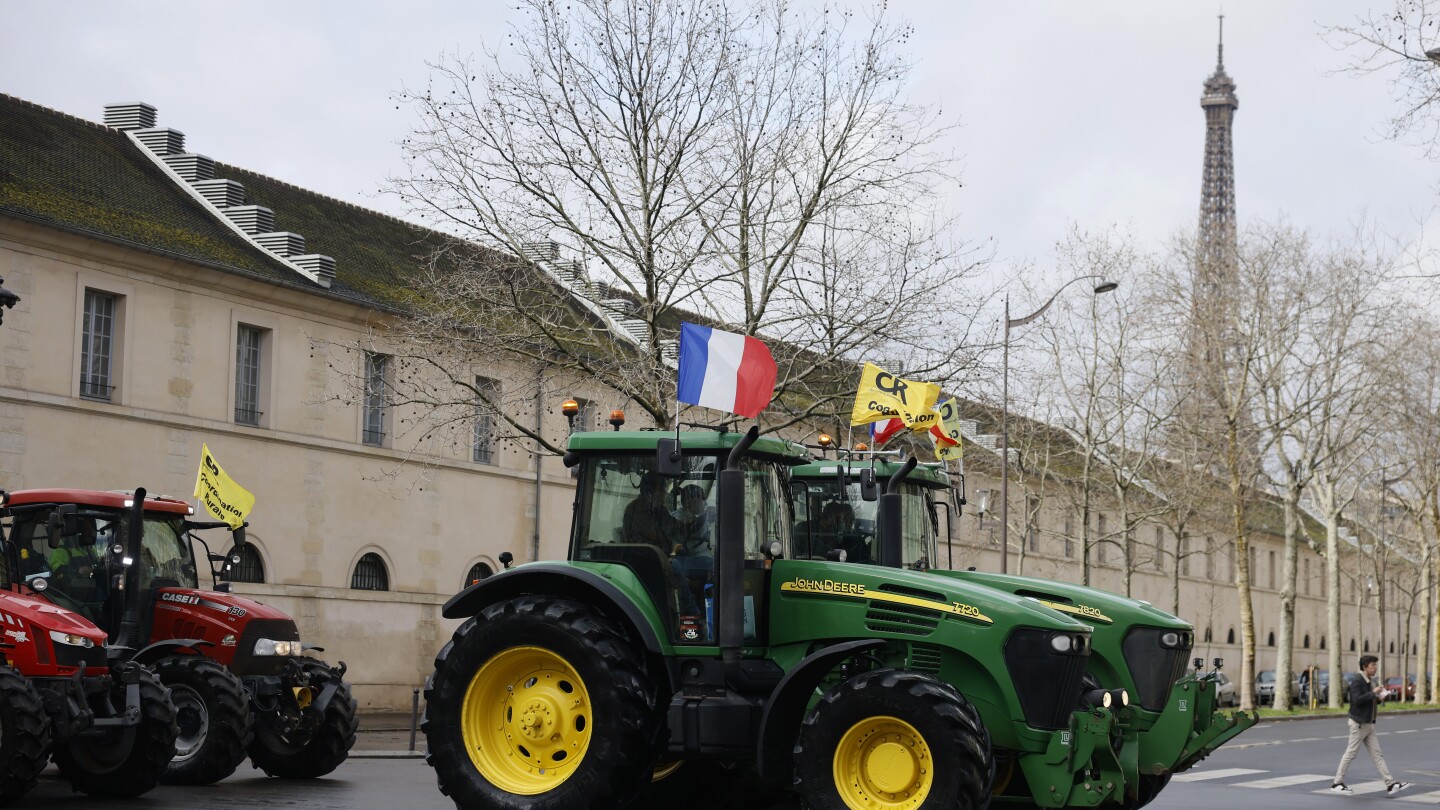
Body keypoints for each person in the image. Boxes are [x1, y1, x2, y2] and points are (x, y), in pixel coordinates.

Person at [1330, 655, 1409, 795]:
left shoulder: (1370, 681)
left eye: (1375, 665)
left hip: (1369, 724)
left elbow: (1369, 700)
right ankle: (1337, 783)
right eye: (1373, 665)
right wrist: (1373, 693)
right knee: (1350, 754)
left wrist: (1379, 698)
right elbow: (1357, 700)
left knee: (1377, 755)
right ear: (1364, 666)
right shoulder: (1357, 681)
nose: (1375, 667)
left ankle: (1390, 784)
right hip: (1359, 724)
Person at [622, 472, 681, 551]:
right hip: (645, 557)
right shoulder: (634, 512)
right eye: (662, 489)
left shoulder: (659, 510)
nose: (665, 493)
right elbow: (645, 542)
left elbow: (673, 527)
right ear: (651, 493)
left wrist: (688, 525)